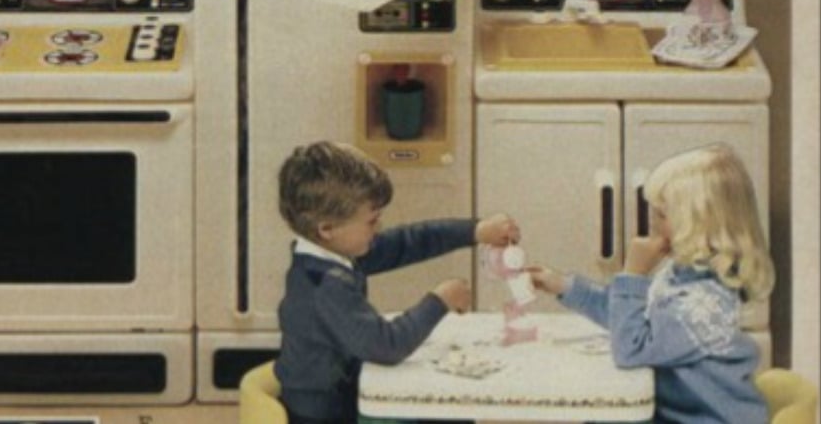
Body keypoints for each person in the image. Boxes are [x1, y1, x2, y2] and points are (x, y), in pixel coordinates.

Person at [274, 140, 521, 424]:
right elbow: (387, 346)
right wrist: (440, 301)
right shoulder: (324, 285)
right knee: (445, 414)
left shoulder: (329, 254)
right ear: (327, 229)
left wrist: (475, 231)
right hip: (329, 416)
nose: (378, 228)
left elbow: (408, 242)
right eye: (371, 221)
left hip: (337, 401)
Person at [528, 143, 775, 424]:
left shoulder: (704, 303)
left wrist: (634, 273)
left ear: (699, 223)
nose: (652, 223)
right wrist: (564, 285)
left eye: (662, 214)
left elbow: (631, 349)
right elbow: (629, 319)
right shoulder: (683, 273)